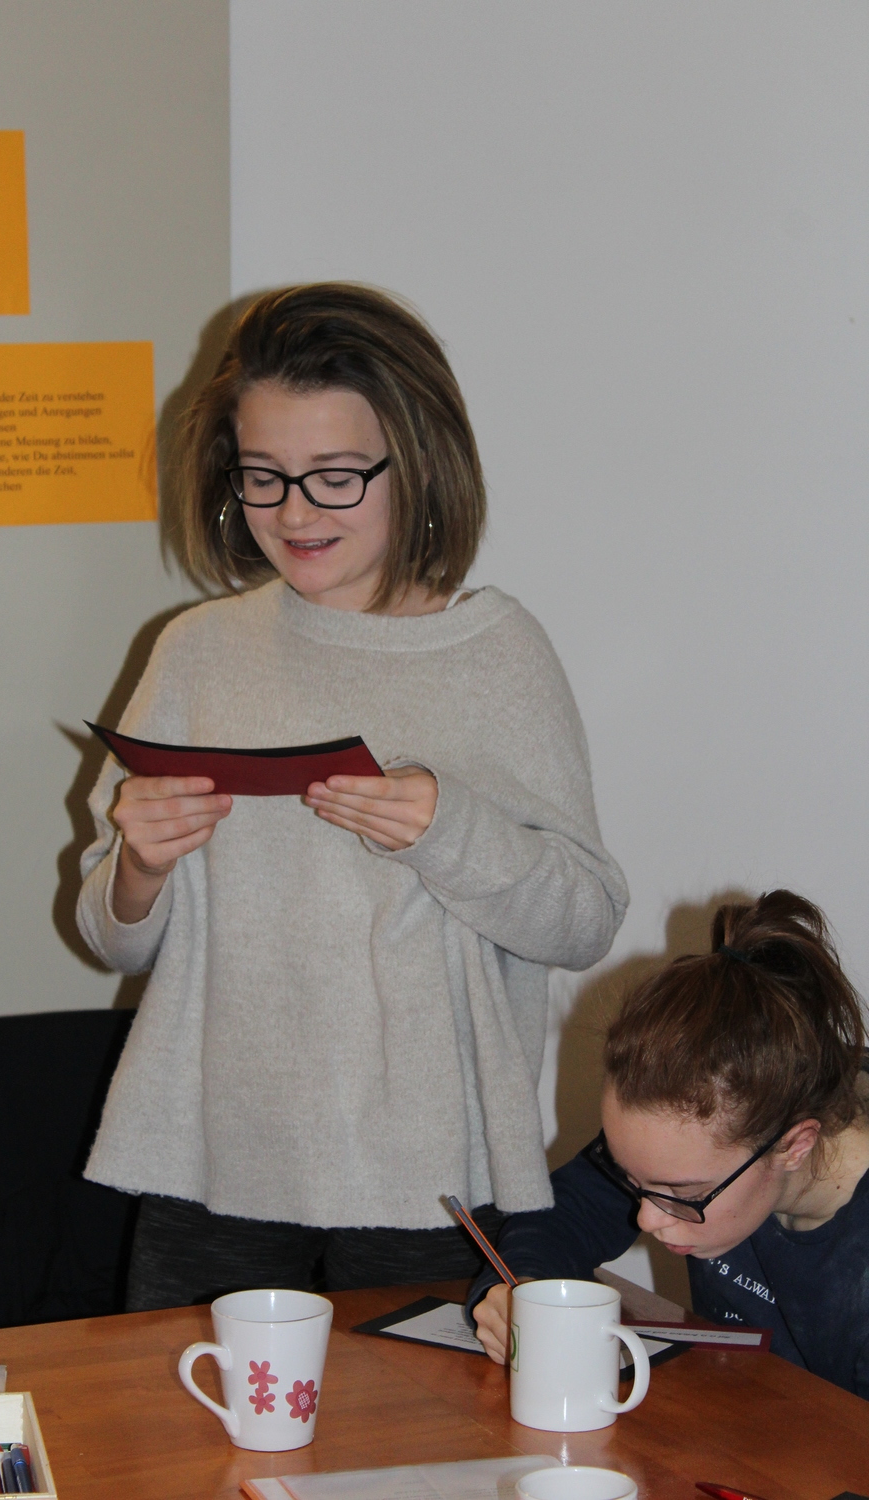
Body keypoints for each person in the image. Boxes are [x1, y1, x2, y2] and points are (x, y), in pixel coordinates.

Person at [76, 283, 628, 1309]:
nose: (294, 513)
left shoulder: (495, 653)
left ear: (418, 462)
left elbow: (584, 919)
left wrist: (447, 829)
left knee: (419, 1417)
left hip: (427, 1170)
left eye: (335, 477)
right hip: (212, 1156)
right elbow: (114, 939)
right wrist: (137, 868)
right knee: (191, 1412)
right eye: (262, 477)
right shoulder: (196, 650)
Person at [470, 889, 869, 1399]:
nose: (645, 1218)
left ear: (794, 1146)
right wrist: (520, 1289)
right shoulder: (706, 1135)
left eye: (683, 1195)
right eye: (632, 1180)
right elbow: (564, 1215)